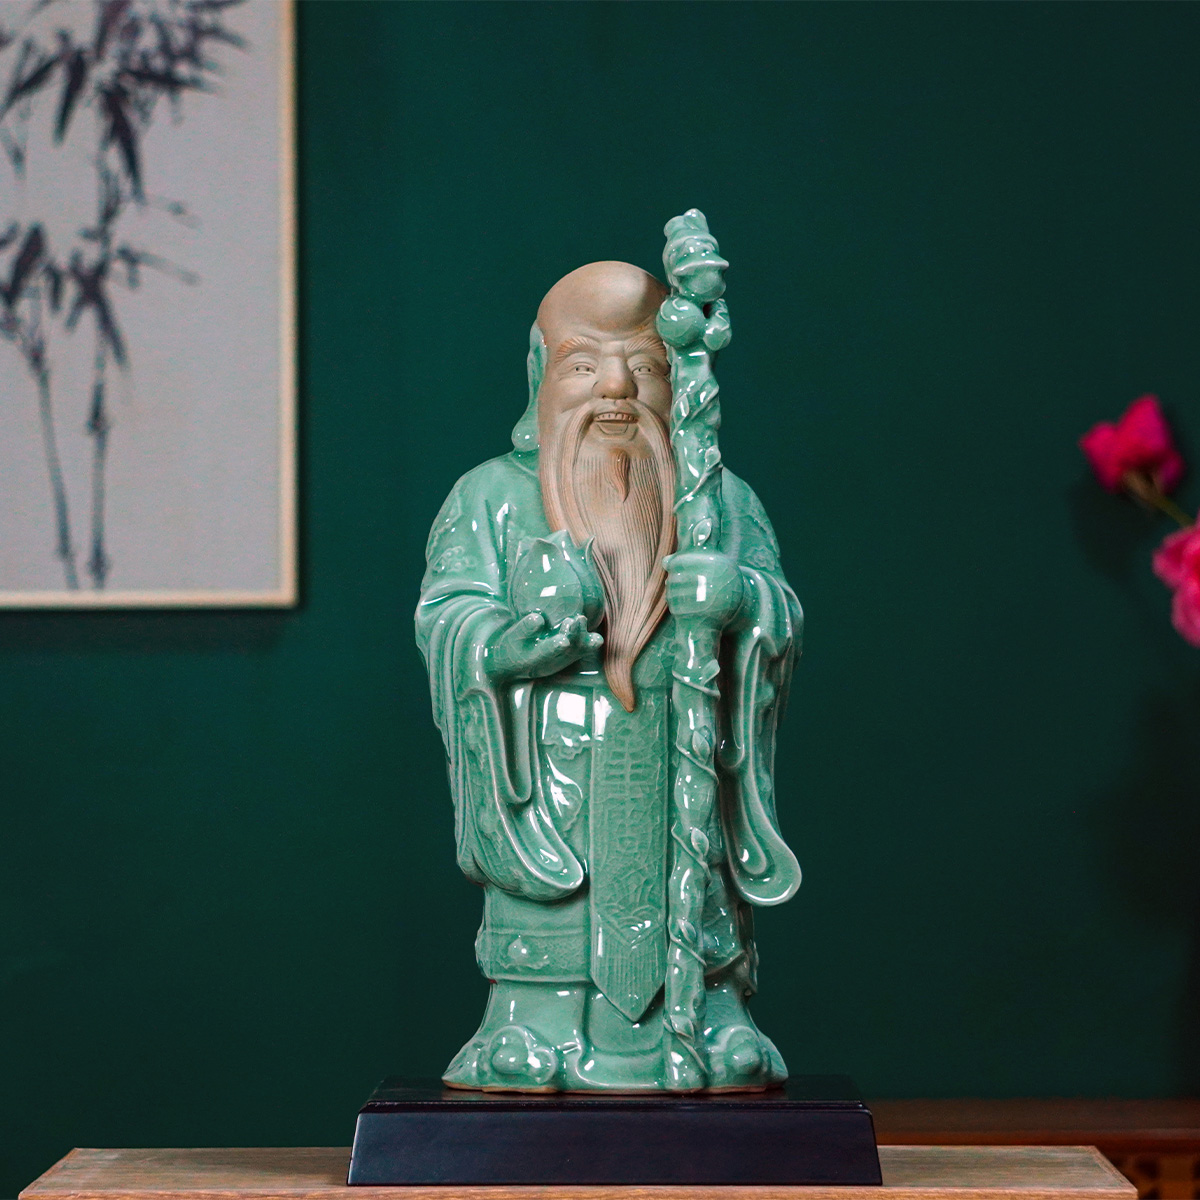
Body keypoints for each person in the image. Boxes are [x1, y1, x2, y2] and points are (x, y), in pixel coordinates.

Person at [416, 260, 802, 1091]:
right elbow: (446, 615)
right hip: (551, 768)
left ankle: (712, 1019)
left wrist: (740, 599)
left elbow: (782, 617)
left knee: (691, 887)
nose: (617, 388)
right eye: (585, 364)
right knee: (554, 902)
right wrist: (501, 648)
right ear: (540, 372)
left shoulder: (720, 502)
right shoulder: (489, 496)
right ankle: (532, 1020)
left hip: (679, 747)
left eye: (647, 365)